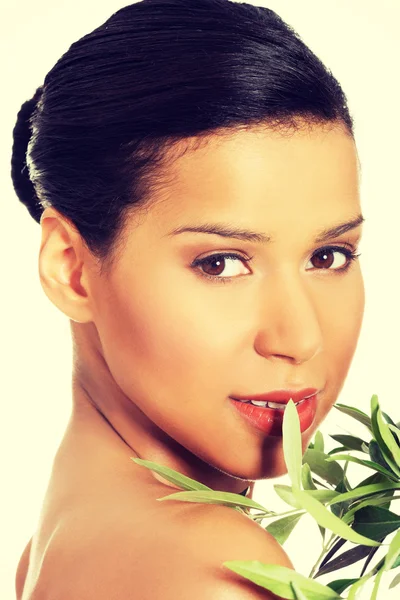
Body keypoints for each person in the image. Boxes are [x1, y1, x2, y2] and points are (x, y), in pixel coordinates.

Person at [10, 0, 365, 598]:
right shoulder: (215, 571)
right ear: (72, 270)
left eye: (328, 256)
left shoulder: (64, 542)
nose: (300, 337)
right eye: (221, 263)